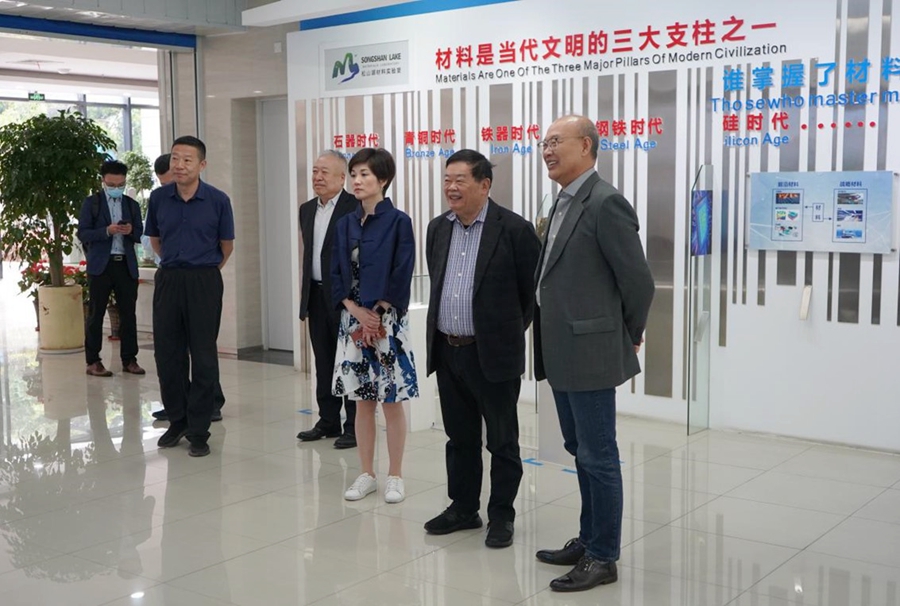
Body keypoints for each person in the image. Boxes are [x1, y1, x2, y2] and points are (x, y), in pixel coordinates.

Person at [533, 115, 655, 592]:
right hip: (562, 350)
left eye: (555, 142)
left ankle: (603, 556)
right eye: (544, 143)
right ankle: (588, 539)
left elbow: (638, 281)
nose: (547, 150)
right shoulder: (560, 201)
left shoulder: (605, 202)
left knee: (599, 456)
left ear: (585, 146)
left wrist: (627, 333)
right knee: (579, 451)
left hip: (591, 351)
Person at [423, 150, 541, 548]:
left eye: (460, 180)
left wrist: (501, 334)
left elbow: (530, 295)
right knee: (460, 437)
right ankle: (463, 508)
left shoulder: (515, 230)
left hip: (492, 354)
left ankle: (501, 515)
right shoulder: (438, 229)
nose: (451, 188)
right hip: (448, 351)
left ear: (484, 184)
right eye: (447, 180)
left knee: (502, 440)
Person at [331, 147, 418, 503]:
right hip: (353, 321)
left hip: (387, 323)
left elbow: (402, 271)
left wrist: (377, 313)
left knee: (391, 400)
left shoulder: (399, 222)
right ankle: (366, 473)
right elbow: (336, 273)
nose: (357, 180)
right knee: (361, 401)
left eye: (364, 174)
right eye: (354, 174)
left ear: (383, 179)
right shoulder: (344, 224)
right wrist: (356, 311)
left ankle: (395, 475)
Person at [145, 136, 235, 457]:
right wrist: (176, 266)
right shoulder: (159, 198)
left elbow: (226, 246)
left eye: (187, 160)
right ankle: (177, 420)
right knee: (167, 354)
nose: (179, 165)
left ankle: (199, 429)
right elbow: (155, 240)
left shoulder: (218, 200)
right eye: (175, 158)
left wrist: (203, 270)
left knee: (203, 355)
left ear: (202, 165)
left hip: (204, 281)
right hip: (169, 279)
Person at [296, 151, 359, 449]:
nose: (317, 177)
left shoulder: (354, 207)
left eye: (324, 172)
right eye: (314, 171)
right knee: (323, 361)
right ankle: (328, 420)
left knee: (350, 361)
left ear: (341, 177)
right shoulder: (307, 209)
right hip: (316, 295)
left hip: (345, 298)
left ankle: (354, 426)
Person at [77, 160, 145, 377]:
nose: (116, 188)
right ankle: (93, 361)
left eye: (120, 184)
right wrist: (107, 231)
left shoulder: (131, 205)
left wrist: (130, 230)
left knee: (128, 314)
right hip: (101, 266)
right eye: (112, 185)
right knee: (96, 314)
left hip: (125, 265)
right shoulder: (92, 203)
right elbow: (83, 233)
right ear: (103, 181)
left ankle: (129, 359)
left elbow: (140, 233)